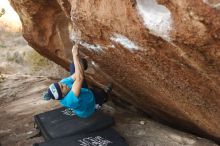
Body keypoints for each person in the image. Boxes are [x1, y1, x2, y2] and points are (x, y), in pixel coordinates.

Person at [43, 44, 112, 118]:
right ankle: (102, 100)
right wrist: (75, 56)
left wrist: (80, 62)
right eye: (62, 87)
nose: (64, 85)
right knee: (101, 93)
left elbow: (76, 75)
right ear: (63, 95)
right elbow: (79, 79)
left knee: (74, 65)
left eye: (60, 84)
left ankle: (84, 61)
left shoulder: (63, 83)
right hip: (89, 106)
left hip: (83, 91)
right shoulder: (70, 100)